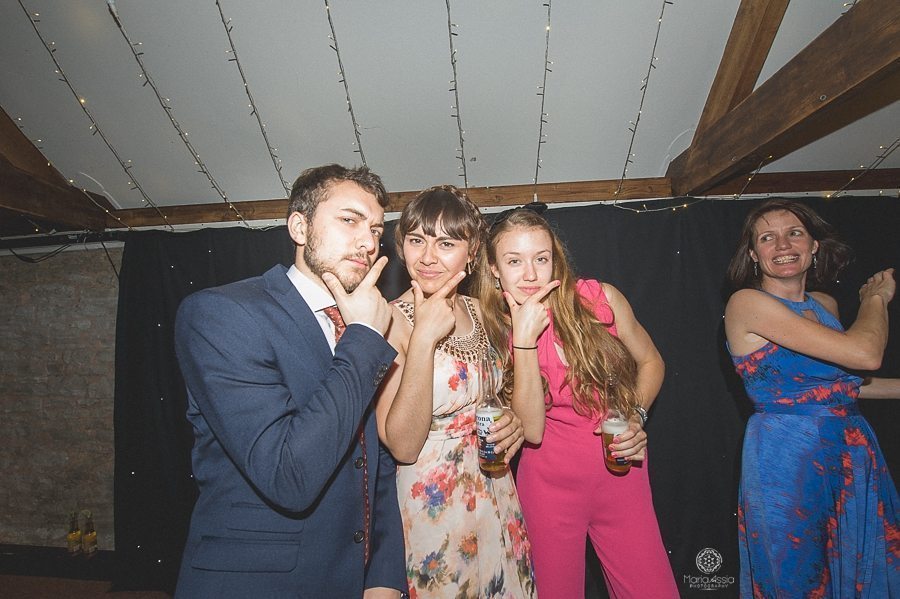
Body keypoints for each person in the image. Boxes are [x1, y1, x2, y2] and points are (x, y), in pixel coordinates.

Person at [174, 164, 406, 598]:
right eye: (349, 219)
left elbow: (375, 461)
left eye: (376, 229)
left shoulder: (365, 322)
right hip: (257, 582)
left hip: (352, 579)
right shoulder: (222, 313)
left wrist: (385, 574)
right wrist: (364, 339)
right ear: (300, 227)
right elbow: (288, 475)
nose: (368, 241)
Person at [473, 207, 678, 599]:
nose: (530, 274)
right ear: (495, 268)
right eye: (514, 261)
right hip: (548, 485)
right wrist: (525, 339)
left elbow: (652, 361)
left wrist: (635, 415)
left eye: (541, 258)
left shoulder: (599, 298)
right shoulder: (489, 327)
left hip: (621, 473)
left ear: (556, 259)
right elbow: (530, 429)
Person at [724, 199, 900, 597]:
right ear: (754, 255)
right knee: (796, 577)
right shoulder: (747, 304)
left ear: (814, 245)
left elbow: (845, 383)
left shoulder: (825, 305)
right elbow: (866, 353)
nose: (782, 244)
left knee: (858, 569)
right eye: (768, 238)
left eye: (794, 233)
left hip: (850, 449)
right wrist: (876, 300)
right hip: (787, 453)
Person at [374, 185, 536, 597]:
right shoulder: (388, 322)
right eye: (416, 241)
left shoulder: (483, 312)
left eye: (446, 243)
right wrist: (424, 338)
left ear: (473, 250)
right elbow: (403, 447)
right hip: (433, 507)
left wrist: (512, 422)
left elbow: (505, 400)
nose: (428, 257)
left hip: (497, 496)